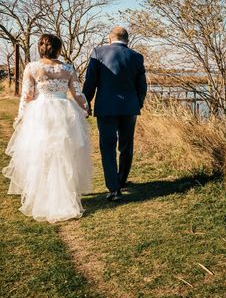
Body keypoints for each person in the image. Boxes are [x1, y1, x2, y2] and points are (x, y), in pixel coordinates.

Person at [3, 34, 92, 223]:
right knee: (65, 154)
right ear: (59, 48)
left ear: (40, 48)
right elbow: (77, 93)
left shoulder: (32, 68)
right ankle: (64, 196)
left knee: (40, 153)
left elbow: (26, 96)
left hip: (40, 112)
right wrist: (85, 107)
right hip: (64, 111)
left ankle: (43, 197)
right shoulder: (67, 68)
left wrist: (21, 117)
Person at [82, 26, 147, 201]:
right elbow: (142, 86)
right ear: (127, 40)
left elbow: (90, 81)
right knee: (126, 146)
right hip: (129, 109)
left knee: (107, 147)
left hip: (106, 108)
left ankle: (113, 188)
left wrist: (85, 103)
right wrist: (137, 104)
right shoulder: (136, 56)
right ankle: (122, 180)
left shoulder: (98, 52)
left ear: (110, 39)